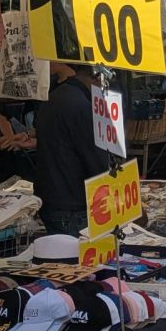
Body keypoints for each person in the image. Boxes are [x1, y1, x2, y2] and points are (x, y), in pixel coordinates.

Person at [33, 63, 111, 233]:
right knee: (76, 250)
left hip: (51, 199)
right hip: (71, 205)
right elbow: (96, 161)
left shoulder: (55, 96)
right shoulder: (81, 105)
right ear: (96, 77)